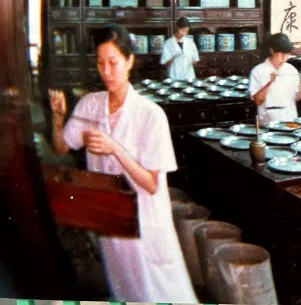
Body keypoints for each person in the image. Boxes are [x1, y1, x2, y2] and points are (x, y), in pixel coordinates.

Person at [48, 24, 196, 303]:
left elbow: (151, 184)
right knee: (123, 288)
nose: (106, 71)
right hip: (111, 219)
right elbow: (61, 146)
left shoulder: (150, 115)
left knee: (159, 292)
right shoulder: (90, 105)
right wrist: (58, 119)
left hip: (146, 223)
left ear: (129, 61)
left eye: (113, 62)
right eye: (100, 63)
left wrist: (115, 149)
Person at [250, 33, 301, 124]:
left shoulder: (291, 70)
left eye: (287, 55)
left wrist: (300, 93)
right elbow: (257, 101)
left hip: (290, 120)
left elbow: (295, 98)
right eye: (281, 54)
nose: (284, 59)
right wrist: (270, 83)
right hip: (268, 122)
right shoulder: (258, 71)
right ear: (272, 50)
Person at [160, 17, 199, 81]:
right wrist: (173, 56)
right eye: (182, 31)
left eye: (186, 31)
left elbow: (195, 60)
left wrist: (189, 61)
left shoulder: (190, 42)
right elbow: (165, 63)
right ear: (177, 28)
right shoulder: (168, 44)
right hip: (174, 77)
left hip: (189, 77)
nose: (184, 34)